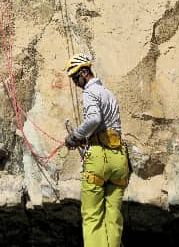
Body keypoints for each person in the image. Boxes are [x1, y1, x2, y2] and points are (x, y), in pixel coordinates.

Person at [64, 54, 129, 247]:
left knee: (92, 215)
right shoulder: (109, 94)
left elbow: (94, 119)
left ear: (84, 72)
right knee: (113, 215)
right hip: (119, 159)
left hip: (100, 158)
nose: (75, 83)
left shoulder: (90, 92)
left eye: (76, 77)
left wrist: (76, 135)